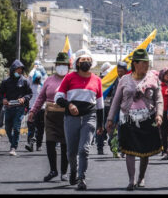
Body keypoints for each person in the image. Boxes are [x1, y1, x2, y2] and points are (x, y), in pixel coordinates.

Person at [106, 49, 163, 190]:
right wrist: (110, 119)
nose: (146, 66)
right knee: (129, 150)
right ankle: (131, 180)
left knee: (145, 151)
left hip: (147, 119)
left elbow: (159, 99)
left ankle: (141, 177)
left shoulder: (153, 78)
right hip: (128, 120)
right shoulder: (124, 80)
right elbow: (116, 101)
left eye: (148, 63)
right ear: (135, 64)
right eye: (143, 63)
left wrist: (159, 115)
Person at [55, 49, 104, 190]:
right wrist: (69, 105)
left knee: (84, 149)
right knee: (71, 151)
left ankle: (82, 177)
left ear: (91, 62)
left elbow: (100, 105)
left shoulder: (97, 80)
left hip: (90, 117)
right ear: (77, 63)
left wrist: (100, 124)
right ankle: (74, 170)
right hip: (71, 118)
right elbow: (58, 98)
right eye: (82, 60)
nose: (85, 63)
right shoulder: (69, 78)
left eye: (88, 60)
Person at [28, 52, 71, 181]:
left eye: (64, 64)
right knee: (50, 142)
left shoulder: (72, 79)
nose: (62, 67)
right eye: (59, 64)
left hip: (67, 116)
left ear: (68, 66)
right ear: (56, 65)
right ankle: (53, 170)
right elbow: (41, 97)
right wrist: (33, 111)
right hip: (51, 115)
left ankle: (64, 171)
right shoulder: (49, 80)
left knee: (65, 145)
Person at [0, 59, 33, 156]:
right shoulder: (5, 82)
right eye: (17, 69)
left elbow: (30, 93)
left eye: (21, 69)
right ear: (13, 69)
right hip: (8, 108)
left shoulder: (25, 81)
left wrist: (24, 99)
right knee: (8, 128)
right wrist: (3, 99)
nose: (19, 71)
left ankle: (13, 147)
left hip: (19, 108)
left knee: (17, 127)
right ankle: (13, 141)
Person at [100, 61, 128, 158]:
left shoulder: (129, 80)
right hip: (114, 108)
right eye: (118, 71)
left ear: (125, 71)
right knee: (109, 127)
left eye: (121, 71)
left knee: (123, 128)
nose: (119, 73)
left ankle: (122, 149)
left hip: (125, 109)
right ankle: (112, 142)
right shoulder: (113, 80)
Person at [26, 70, 45, 152]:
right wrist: (34, 68)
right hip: (32, 110)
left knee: (40, 129)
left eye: (39, 77)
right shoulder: (30, 85)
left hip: (41, 110)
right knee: (31, 127)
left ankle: (39, 145)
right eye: (37, 77)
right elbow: (30, 76)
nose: (38, 79)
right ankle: (30, 144)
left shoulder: (42, 86)